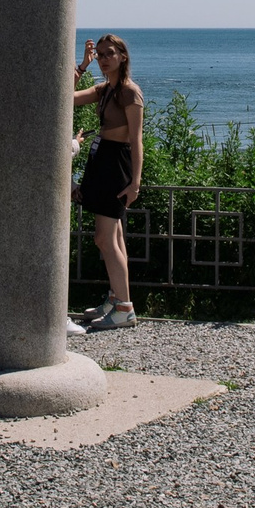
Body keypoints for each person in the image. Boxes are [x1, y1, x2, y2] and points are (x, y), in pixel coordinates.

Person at [72, 34, 143, 331]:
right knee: (113, 239)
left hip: (116, 165)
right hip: (101, 163)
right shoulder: (105, 89)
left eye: (109, 54)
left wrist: (135, 183)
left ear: (123, 57)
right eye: (99, 54)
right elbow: (65, 99)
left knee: (105, 238)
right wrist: (82, 66)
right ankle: (116, 299)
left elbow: (137, 140)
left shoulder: (129, 92)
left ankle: (125, 308)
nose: (103, 58)